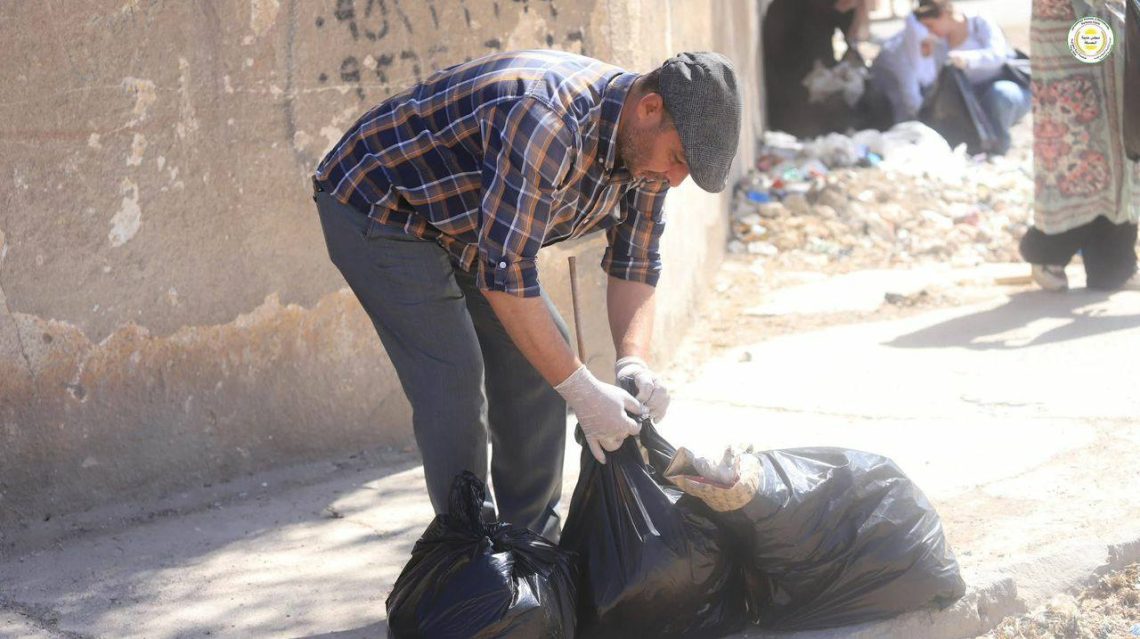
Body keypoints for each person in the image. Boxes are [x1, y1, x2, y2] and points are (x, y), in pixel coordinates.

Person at [311, 50, 742, 540]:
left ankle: (530, 542)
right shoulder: (547, 122)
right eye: (680, 159)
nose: (676, 178)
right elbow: (507, 277)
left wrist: (632, 364)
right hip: (380, 205)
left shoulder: (646, 155)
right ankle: (470, 557)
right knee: (453, 375)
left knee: (543, 365)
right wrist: (582, 391)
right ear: (650, 108)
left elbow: (635, 262)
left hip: (468, 225)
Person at [1020, 0, 1140, 291]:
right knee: (1072, 147)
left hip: (1113, 23)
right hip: (1065, 30)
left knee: (1118, 144)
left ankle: (1113, 265)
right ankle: (1049, 252)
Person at [911, 0, 1030, 155]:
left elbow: (998, 55)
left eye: (931, 26)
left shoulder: (979, 23)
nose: (930, 32)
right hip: (971, 99)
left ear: (945, 14)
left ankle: (999, 148)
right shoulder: (940, 44)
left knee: (999, 93)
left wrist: (967, 60)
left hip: (1008, 91)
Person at [763, 0, 874, 137]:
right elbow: (801, 70)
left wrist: (860, 9)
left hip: (813, 85)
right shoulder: (794, 9)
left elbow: (855, 39)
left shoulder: (831, 7)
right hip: (794, 101)